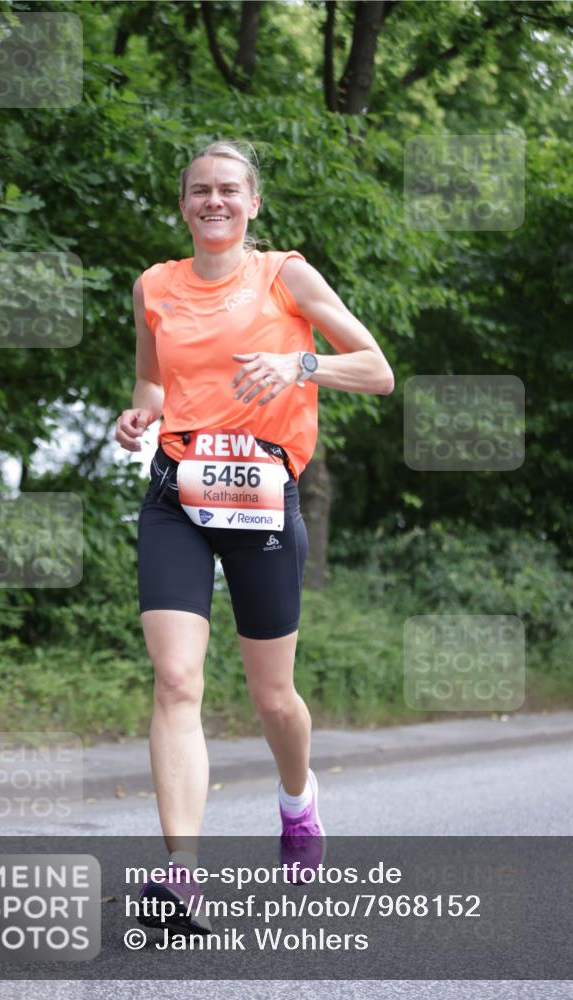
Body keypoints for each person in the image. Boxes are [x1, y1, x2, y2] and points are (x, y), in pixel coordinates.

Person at [115, 140, 394, 933]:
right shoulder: (154, 285)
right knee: (176, 680)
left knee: (273, 697)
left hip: (263, 499)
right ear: (183, 204)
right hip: (175, 494)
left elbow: (376, 370)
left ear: (252, 203)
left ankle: (297, 800)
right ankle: (182, 875)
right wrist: (139, 415)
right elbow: (153, 379)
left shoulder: (285, 276)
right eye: (200, 190)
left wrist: (299, 366)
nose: (214, 200)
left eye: (229, 189)